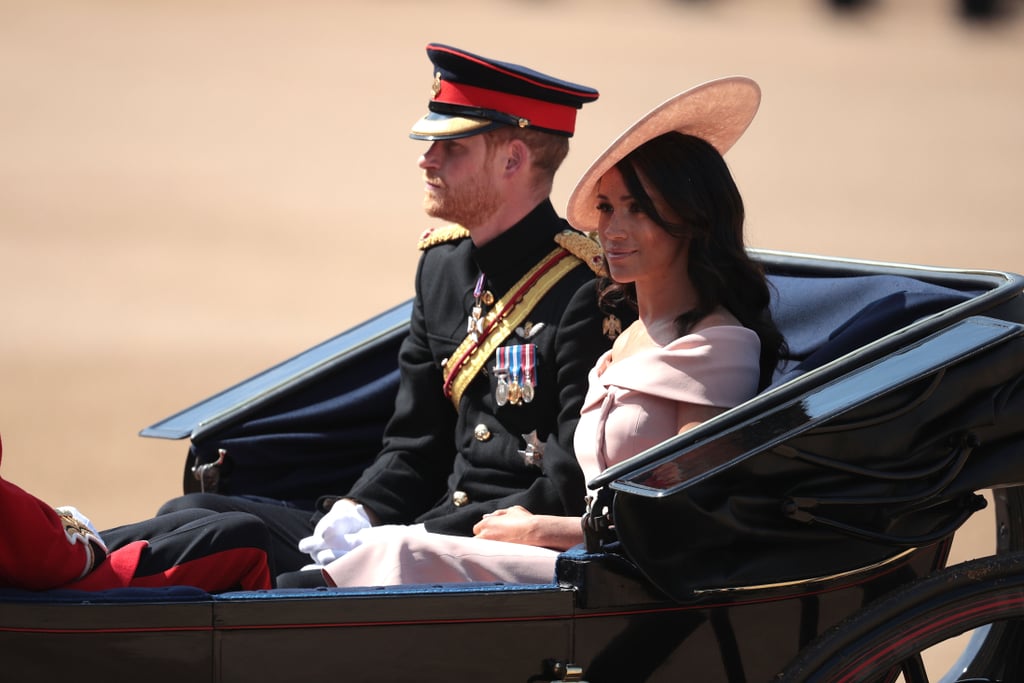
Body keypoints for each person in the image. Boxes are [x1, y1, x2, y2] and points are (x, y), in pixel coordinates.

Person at [156, 43, 622, 578]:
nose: (427, 159)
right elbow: (414, 444)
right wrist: (361, 508)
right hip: (426, 527)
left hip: (492, 550)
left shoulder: (587, 289)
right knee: (192, 517)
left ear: (513, 159)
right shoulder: (442, 267)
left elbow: (565, 484)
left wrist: (417, 535)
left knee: (272, 577)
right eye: (430, 144)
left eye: (452, 149)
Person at [313, 76, 788, 588]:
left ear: (693, 220)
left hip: (620, 577)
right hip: (574, 556)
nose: (613, 230)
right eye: (607, 208)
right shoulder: (628, 341)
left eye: (639, 209)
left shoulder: (717, 346)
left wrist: (548, 529)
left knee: (395, 553)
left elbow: (685, 513)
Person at [0, 434, 272, 592]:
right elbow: (45, 561)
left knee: (193, 515)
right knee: (248, 539)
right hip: (54, 587)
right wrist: (78, 541)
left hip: (35, 558)